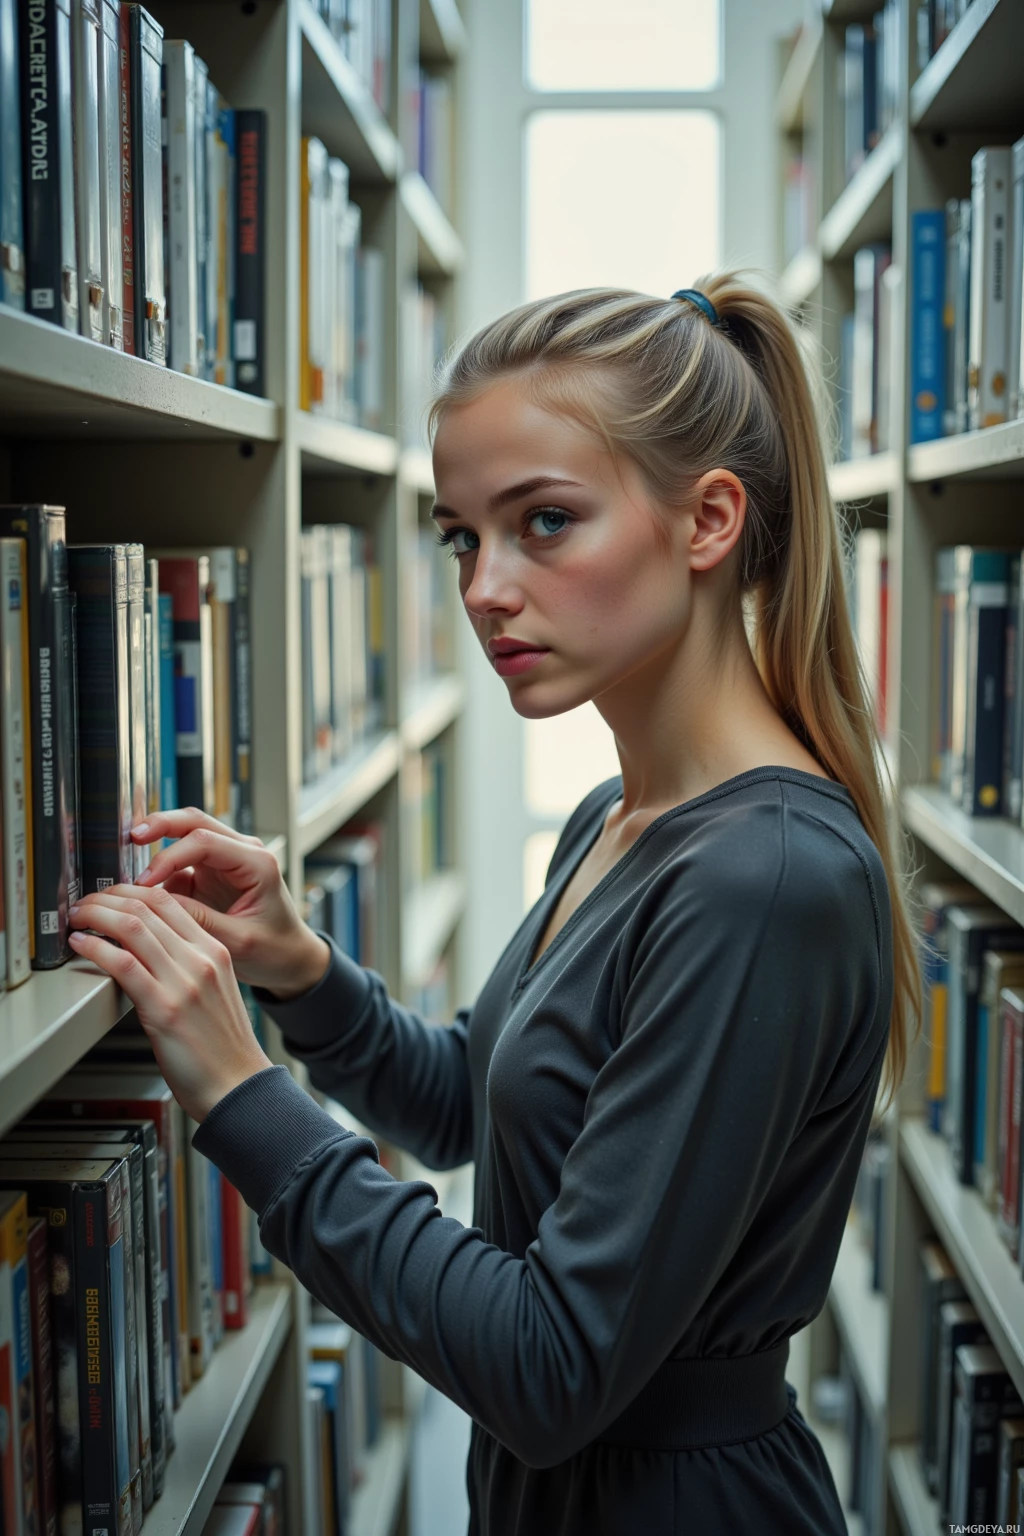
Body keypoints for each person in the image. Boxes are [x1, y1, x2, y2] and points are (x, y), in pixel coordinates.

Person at [68, 274, 922, 1535]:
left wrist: (242, 1098)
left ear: (709, 521)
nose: (483, 589)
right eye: (462, 535)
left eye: (545, 523)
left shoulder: (764, 882)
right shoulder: (615, 820)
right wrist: (301, 971)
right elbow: (484, 1102)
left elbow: (549, 1365)